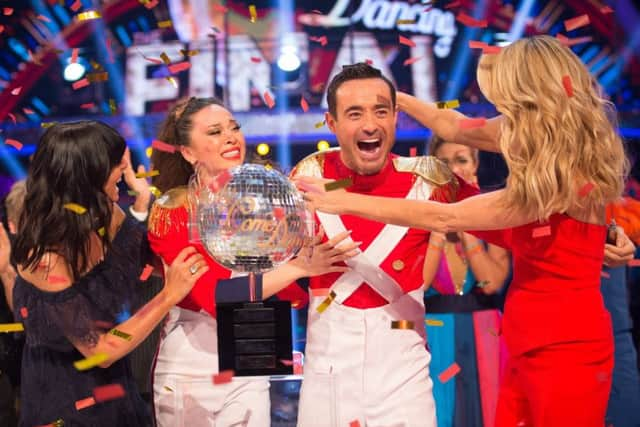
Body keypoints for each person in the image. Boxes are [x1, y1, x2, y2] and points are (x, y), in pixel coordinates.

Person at [297, 36, 628, 427]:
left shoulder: (563, 181)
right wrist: (384, 97)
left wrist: (342, 201)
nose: (499, 107)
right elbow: (449, 123)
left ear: (530, 96)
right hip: (524, 340)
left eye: (505, 97)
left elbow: (445, 218)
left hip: (565, 346)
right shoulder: (518, 132)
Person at [147, 97, 358, 427]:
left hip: (251, 362)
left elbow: (293, 295)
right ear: (188, 152)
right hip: (192, 370)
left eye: (234, 128)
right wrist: (298, 267)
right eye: (215, 132)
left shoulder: (269, 201)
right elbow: (215, 298)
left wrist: (300, 239)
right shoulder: (173, 212)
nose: (231, 137)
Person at [289, 63, 480, 427]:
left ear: (396, 117)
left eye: (380, 111)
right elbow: (253, 256)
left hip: (403, 379)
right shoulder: (305, 177)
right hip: (326, 378)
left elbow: (508, 223)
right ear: (331, 124)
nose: (370, 125)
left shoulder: (432, 180)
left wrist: (602, 234)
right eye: (354, 113)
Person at [10, 121, 207, 426]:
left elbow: (155, 261)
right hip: (66, 402)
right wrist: (168, 296)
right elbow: (99, 349)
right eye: (115, 162)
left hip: (117, 391)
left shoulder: (107, 214)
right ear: (87, 173)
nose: (123, 168)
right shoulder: (45, 257)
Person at [423, 136, 510, 427]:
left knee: (488, 412)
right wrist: (440, 217)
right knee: (440, 412)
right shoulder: (418, 220)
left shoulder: (495, 216)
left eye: (461, 160)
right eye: (443, 163)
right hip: (435, 335)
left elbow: (491, 283)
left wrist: (464, 220)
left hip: (487, 335)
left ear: (475, 167)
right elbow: (421, 284)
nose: (453, 170)